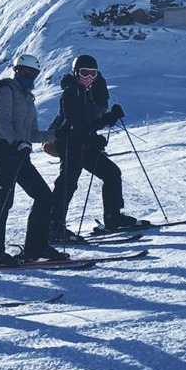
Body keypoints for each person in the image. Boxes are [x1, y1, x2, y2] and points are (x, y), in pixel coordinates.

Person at [0, 53, 69, 265]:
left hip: (21, 156)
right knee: (3, 201)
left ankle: (36, 246)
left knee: (44, 197)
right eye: (24, 72)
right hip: (6, 154)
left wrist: (56, 134)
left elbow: (33, 134)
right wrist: (17, 143)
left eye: (32, 74)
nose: (28, 76)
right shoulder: (5, 90)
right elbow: (3, 125)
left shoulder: (28, 97)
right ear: (16, 71)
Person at [48, 54, 149, 243]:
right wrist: (105, 122)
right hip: (72, 147)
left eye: (93, 74)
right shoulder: (71, 93)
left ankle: (113, 218)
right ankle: (53, 227)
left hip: (85, 146)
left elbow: (88, 123)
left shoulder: (86, 92)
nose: (89, 78)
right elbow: (77, 124)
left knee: (111, 173)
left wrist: (106, 121)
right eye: (84, 73)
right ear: (76, 73)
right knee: (67, 184)